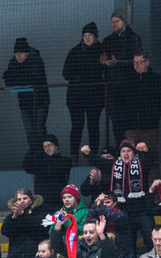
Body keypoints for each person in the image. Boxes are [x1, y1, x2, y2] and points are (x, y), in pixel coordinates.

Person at [82, 139, 154, 258]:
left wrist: (147, 151)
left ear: (134, 152)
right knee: (128, 247)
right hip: (125, 214)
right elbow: (99, 161)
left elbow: (151, 160)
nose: (126, 154)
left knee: (151, 242)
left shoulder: (142, 163)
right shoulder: (113, 165)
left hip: (143, 212)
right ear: (119, 153)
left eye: (129, 151)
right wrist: (88, 153)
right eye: (123, 151)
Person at [120, 51, 161, 182]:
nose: (137, 65)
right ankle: (129, 192)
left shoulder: (157, 80)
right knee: (128, 160)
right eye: (135, 62)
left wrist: (155, 114)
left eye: (140, 62)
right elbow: (118, 102)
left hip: (150, 128)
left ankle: (155, 195)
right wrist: (124, 120)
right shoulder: (127, 81)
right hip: (131, 128)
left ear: (147, 63)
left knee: (152, 160)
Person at [63, 22, 104, 160]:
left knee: (93, 127)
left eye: (90, 35)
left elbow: (107, 70)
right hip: (76, 98)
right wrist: (80, 76)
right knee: (77, 126)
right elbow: (66, 73)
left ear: (95, 36)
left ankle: (93, 158)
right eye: (85, 35)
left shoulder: (102, 51)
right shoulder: (75, 52)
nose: (87, 38)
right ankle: (74, 157)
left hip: (94, 97)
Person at [100, 11, 143, 136]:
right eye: (112, 22)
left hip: (129, 86)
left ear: (124, 22)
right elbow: (103, 59)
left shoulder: (133, 38)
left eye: (117, 21)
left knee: (128, 121)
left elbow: (137, 62)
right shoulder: (108, 40)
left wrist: (117, 62)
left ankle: (129, 150)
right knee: (116, 122)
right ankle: (121, 150)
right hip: (112, 87)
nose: (114, 24)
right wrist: (103, 62)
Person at [4, 38, 50, 151]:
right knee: (30, 132)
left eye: (21, 53)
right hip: (24, 103)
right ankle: (34, 155)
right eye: (16, 53)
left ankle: (44, 155)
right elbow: (9, 81)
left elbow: (35, 79)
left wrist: (17, 77)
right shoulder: (13, 62)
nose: (18, 56)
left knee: (39, 130)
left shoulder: (36, 60)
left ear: (27, 52)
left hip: (39, 101)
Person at [0, 188, 44, 258]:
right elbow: (4, 231)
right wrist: (14, 217)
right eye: (19, 199)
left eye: (25, 198)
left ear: (31, 200)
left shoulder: (39, 214)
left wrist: (23, 215)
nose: (22, 201)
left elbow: (38, 228)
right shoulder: (12, 217)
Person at [22, 134, 71, 200]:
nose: (47, 149)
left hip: (59, 199)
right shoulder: (41, 162)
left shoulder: (65, 161)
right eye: (44, 147)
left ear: (56, 146)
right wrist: (31, 150)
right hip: (42, 201)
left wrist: (41, 155)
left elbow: (53, 167)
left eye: (49, 145)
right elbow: (27, 167)